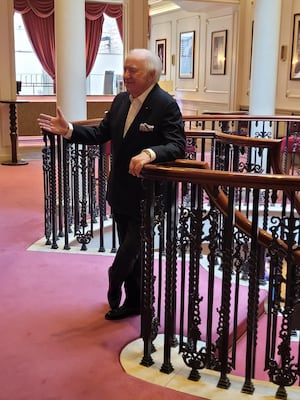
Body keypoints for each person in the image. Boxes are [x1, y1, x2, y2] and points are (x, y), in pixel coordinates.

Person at [38, 48, 186, 320]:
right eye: (125, 68)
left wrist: (150, 154)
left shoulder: (166, 105)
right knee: (135, 253)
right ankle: (135, 303)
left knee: (130, 249)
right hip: (120, 191)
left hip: (150, 195)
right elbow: (99, 133)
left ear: (151, 75)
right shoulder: (120, 101)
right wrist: (69, 130)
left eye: (133, 70)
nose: (126, 75)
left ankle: (114, 276)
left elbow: (177, 145)